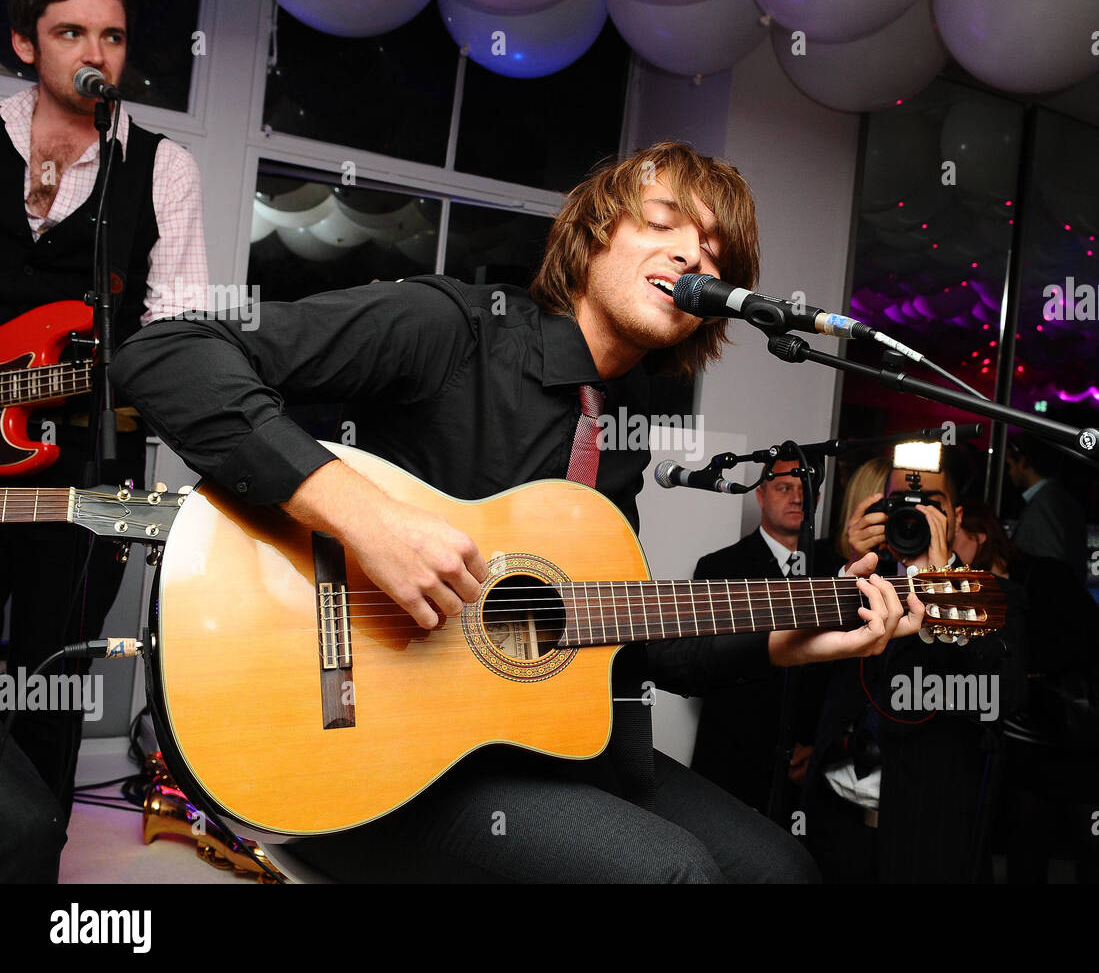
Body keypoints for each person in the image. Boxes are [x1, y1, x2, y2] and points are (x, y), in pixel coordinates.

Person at [111, 141, 926, 883]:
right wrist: (366, 518)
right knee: (671, 876)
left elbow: (632, 640)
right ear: (596, 227)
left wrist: (796, 634)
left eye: (715, 251)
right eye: (665, 223)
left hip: (535, 751)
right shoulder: (450, 330)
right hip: (365, 756)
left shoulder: (616, 421)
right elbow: (164, 355)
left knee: (786, 871)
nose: (691, 254)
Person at [0, 0, 206, 880]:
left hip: (83, 472)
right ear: (23, 42)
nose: (98, 51)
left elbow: (181, 327)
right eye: (72, 31)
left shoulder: (162, 169)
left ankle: (29, 864)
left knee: (51, 677)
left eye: (114, 35)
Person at [808, 450, 1026, 882]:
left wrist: (943, 582)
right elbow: (805, 678)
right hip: (835, 814)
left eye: (932, 504)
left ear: (956, 517)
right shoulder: (855, 579)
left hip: (929, 829)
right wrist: (849, 567)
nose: (917, 517)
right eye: (903, 505)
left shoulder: (994, 595)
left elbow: (1004, 696)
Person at [954, 499, 1099, 883]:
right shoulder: (965, 593)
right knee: (1025, 851)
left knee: (1093, 850)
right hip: (1024, 746)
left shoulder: (1045, 575)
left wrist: (1022, 657)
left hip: (1077, 738)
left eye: (954, 537)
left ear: (979, 537)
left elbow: (1093, 642)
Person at [690, 456, 845, 813]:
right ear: (761, 496)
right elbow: (708, 665)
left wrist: (820, 745)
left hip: (810, 772)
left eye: (804, 488)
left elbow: (843, 675)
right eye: (783, 487)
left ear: (818, 500)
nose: (796, 498)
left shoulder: (837, 570)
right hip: (732, 764)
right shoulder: (719, 568)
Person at [1004, 433, 1087, 585]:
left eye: (1009, 465)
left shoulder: (1046, 504)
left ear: (1022, 462)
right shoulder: (1052, 498)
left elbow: (1050, 569)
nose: (1009, 473)